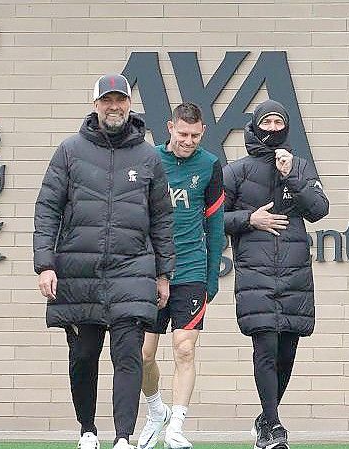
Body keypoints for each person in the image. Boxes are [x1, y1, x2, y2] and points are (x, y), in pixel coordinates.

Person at [33, 74, 175, 449]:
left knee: (128, 355)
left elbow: (162, 217)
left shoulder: (148, 156)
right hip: (79, 273)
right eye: (107, 101)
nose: (115, 107)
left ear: (129, 104)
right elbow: (47, 208)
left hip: (132, 272)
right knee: (83, 356)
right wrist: (45, 264)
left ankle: (124, 437)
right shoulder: (69, 151)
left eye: (121, 100)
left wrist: (164, 273)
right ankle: (87, 431)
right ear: (95, 105)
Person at [223, 100, 329, 449]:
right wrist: (249, 219)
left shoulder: (299, 167)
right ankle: (274, 426)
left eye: (277, 122)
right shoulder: (235, 171)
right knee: (265, 347)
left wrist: (291, 175)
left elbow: (319, 210)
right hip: (256, 274)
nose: (271, 127)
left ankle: (266, 417)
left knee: (287, 353)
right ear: (254, 127)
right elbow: (211, 219)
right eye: (265, 122)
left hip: (295, 274)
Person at [138, 103, 225, 449]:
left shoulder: (209, 165)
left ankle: (176, 425)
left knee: (184, 349)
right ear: (170, 127)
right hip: (152, 270)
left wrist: (212, 275)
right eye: (182, 133)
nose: (188, 140)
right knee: (143, 354)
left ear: (202, 131)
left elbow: (215, 224)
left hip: (191, 270)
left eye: (194, 134)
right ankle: (155, 411)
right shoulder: (149, 159)